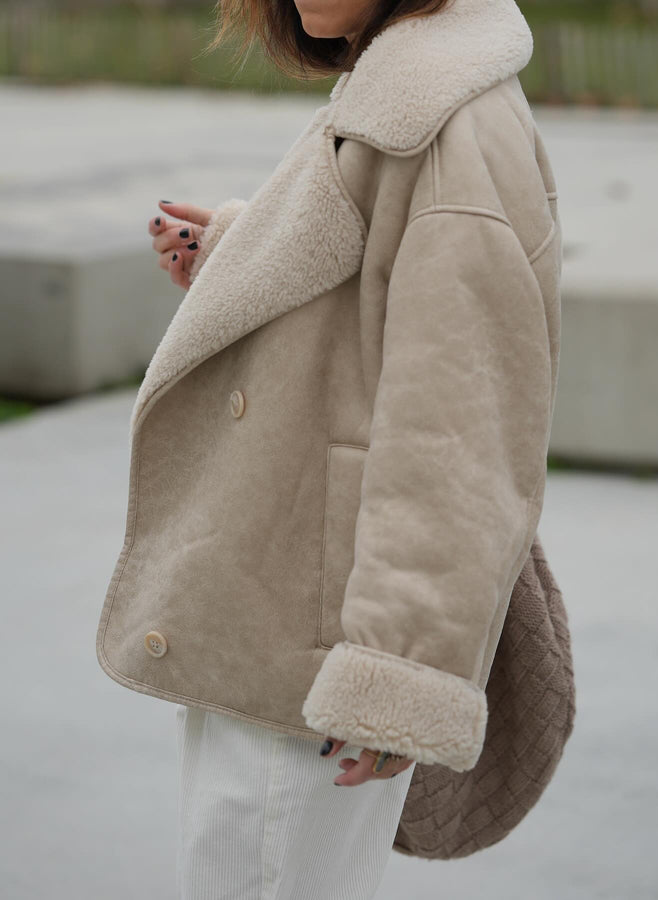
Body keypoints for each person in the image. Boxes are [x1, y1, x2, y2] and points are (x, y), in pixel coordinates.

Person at [95, 0, 562, 896]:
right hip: (280, 606)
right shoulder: (399, 81)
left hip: (322, 640)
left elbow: (459, 431)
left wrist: (401, 670)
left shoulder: (445, 119)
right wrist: (243, 254)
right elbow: (377, 296)